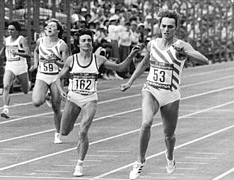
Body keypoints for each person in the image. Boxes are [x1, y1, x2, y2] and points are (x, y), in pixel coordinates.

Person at [120, 9, 209, 180]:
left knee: (169, 135)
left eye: (170, 27)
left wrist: (185, 52)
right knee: (146, 123)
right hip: (151, 90)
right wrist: (130, 81)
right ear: (159, 27)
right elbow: (144, 64)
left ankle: (169, 157)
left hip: (170, 95)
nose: (166, 30)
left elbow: (204, 60)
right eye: (163, 26)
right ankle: (139, 162)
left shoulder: (182, 45)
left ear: (176, 28)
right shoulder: (152, 44)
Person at [56, 29, 140, 177]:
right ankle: (80, 143)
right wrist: (61, 90)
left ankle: (79, 165)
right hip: (73, 98)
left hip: (90, 99)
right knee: (64, 131)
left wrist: (131, 55)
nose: (87, 42)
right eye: (84, 40)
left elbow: (120, 67)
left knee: (83, 131)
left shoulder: (98, 59)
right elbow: (58, 78)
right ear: (79, 43)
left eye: (89, 40)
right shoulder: (72, 60)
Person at [30, 18, 69, 144]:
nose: (50, 28)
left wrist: (55, 61)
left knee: (56, 107)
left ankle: (57, 133)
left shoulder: (62, 45)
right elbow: (36, 52)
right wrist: (36, 64)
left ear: (58, 30)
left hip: (56, 77)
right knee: (36, 102)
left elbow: (66, 65)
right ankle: (47, 97)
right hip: (42, 75)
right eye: (48, 26)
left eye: (53, 26)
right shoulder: (40, 41)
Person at [0, 21, 31, 118]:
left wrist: (17, 53)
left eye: (12, 30)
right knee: (6, 86)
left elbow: (28, 54)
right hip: (10, 66)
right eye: (9, 29)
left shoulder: (21, 40)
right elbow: (3, 49)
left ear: (17, 31)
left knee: (25, 91)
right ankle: (5, 109)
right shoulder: (6, 40)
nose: (10, 31)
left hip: (21, 67)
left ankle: (28, 84)